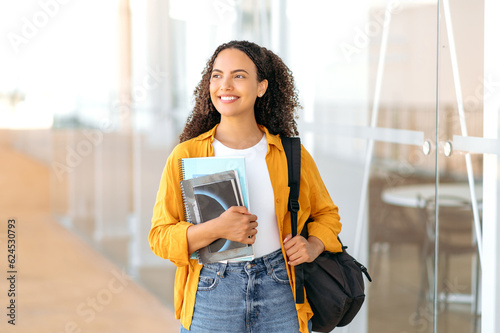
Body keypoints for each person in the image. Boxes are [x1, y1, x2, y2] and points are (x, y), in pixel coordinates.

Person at [149, 40, 342, 333]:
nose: (225, 85)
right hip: (213, 291)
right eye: (217, 75)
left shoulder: (291, 154)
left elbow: (327, 215)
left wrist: (313, 245)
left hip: (281, 290)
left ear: (261, 87)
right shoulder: (186, 155)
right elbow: (159, 236)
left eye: (238, 76)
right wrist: (217, 229)